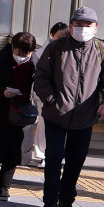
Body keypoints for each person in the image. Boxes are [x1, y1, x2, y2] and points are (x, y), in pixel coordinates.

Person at [34, 6, 104, 207]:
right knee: (53, 157)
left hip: (85, 117)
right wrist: (52, 100)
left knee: (76, 160)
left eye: (87, 25)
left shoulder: (102, 51)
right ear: (71, 26)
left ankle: (67, 201)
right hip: (55, 115)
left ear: (96, 27)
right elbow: (41, 77)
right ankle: (50, 202)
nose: (82, 29)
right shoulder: (56, 47)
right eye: (78, 25)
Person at [0, 32, 37, 201]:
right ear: (13, 47)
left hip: (20, 115)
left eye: (27, 55)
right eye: (19, 53)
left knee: (13, 152)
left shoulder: (32, 64)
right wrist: (2, 92)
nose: (22, 58)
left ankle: (5, 187)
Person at [29, 22, 69, 163]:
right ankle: (44, 154)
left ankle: (44, 153)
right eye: (59, 35)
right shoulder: (44, 50)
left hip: (55, 95)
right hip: (45, 95)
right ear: (52, 35)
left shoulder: (63, 48)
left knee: (46, 123)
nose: (61, 38)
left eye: (64, 35)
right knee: (45, 123)